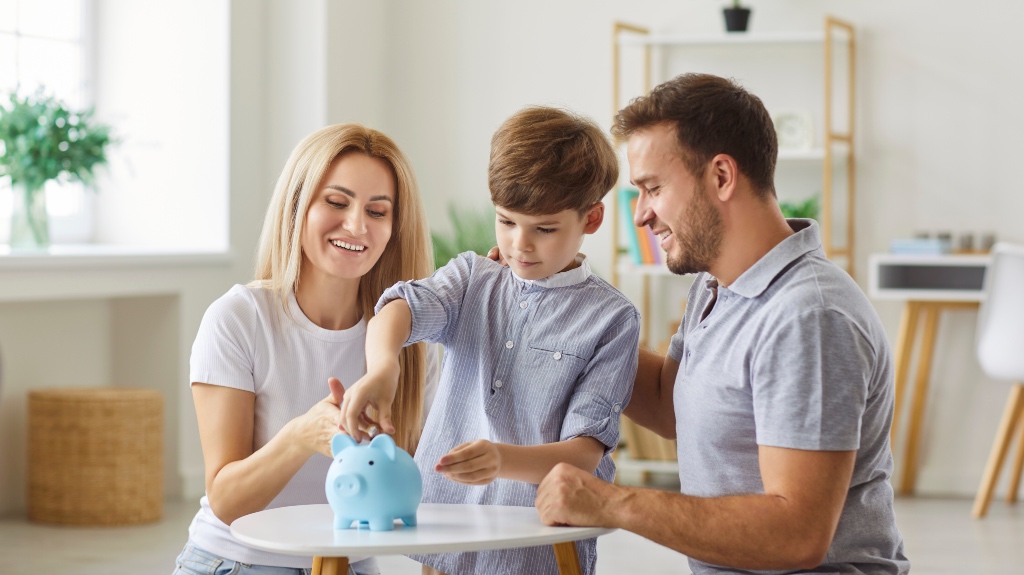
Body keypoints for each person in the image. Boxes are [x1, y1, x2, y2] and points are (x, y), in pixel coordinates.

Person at [535, 73, 910, 575]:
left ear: (721, 177)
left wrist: (612, 503)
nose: (642, 215)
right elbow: (673, 405)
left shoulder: (807, 317)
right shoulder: (716, 285)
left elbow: (796, 534)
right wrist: (559, 301)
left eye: (652, 189)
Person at [339, 106, 640, 575]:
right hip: (447, 536)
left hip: (542, 547)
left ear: (592, 218)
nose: (520, 244)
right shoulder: (473, 277)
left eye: (544, 229)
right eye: (506, 221)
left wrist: (502, 460)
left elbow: (584, 454)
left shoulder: (612, 319)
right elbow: (399, 309)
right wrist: (384, 368)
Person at [173, 124, 438, 575]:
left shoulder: (410, 343)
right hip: (237, 561)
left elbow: (427, 491)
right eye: (336, 202)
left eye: (378, 211)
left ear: (394, 228)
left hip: (349, 563)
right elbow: (226, 500)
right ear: (297, 207)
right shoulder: (239, 319)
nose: (356, 225)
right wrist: (301, 436)